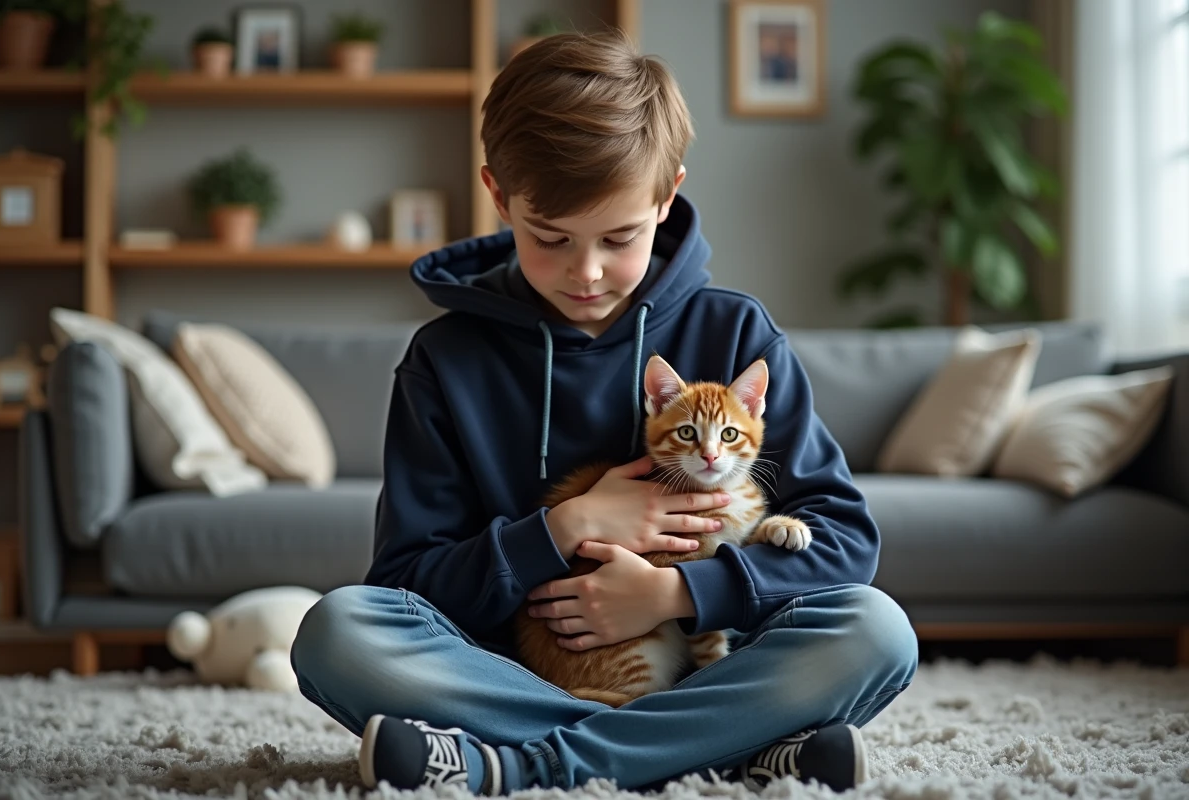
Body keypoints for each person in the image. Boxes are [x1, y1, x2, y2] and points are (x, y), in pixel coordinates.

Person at [291, 30, 918, 796]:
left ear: (668, 195)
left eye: (618, 238)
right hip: (522, 673)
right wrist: (566, 529)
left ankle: (519, 767)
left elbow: (845, 541)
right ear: (498, 195)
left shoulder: (736, 333)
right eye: (549, 238)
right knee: (339, 633)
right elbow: (406, 582)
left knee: (876, 630)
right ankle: (723, 752)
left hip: (704, 660)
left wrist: (677, 596)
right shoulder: (444, 361)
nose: (585, 273)